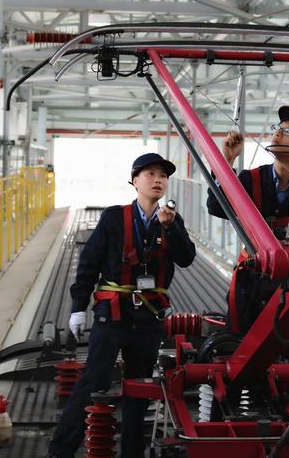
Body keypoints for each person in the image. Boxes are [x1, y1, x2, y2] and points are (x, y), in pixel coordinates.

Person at [48, 153, 196, 458]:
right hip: (114, 313)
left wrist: (171, 228)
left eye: (163, 176)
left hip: (149, 317)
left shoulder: (171, 220)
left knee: (139, 386)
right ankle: (60, 451)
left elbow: (185, 258)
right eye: (150, 174)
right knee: (94, 378)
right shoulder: (114, 218)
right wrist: (78, 307)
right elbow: (89, 262)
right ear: (134, 180)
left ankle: (132, 452)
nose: (158, 180)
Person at [206, 106, 289, 333]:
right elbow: (216, 206)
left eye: (288, 132)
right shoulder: (250, 180)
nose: (277, 133)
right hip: (248, 285)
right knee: (237, 344)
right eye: (278, 128)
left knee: (284, 349)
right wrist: (226, 162)